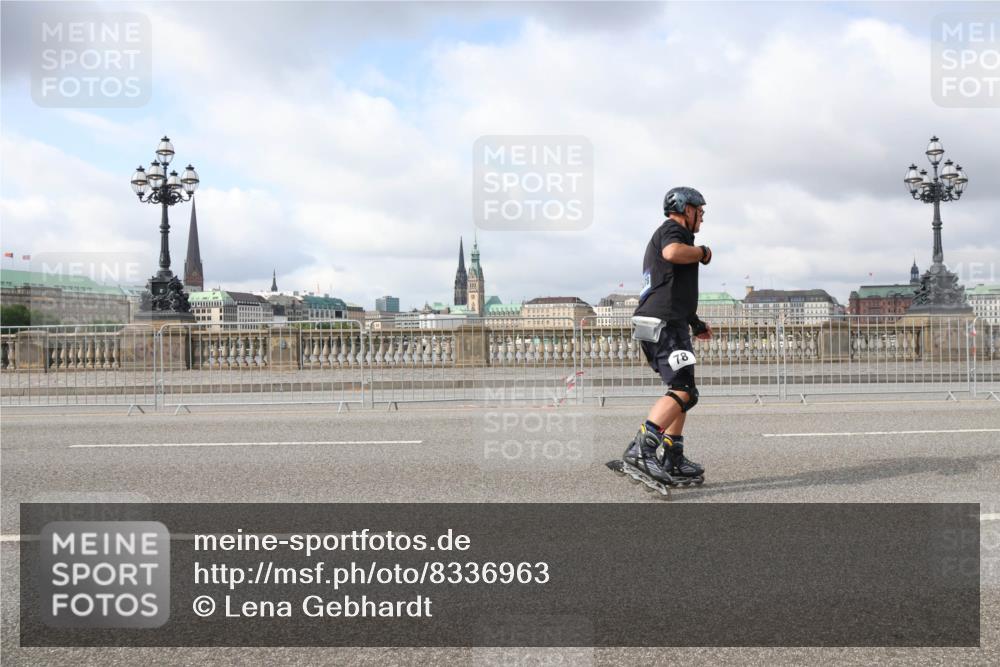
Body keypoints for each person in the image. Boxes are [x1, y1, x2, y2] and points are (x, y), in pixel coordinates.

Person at [620, 186, 713, 490]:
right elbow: (671, 254)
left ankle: (672, 453)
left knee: (683, 390)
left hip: (668, 320)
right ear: (687, 209)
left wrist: (695, 323)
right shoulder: (673, 231)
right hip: (664, 324)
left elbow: (675, 289)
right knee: (684, 390)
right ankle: (642, 450)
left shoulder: (673, 232)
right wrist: (702, 253)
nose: (702, 217)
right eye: (700, 211)